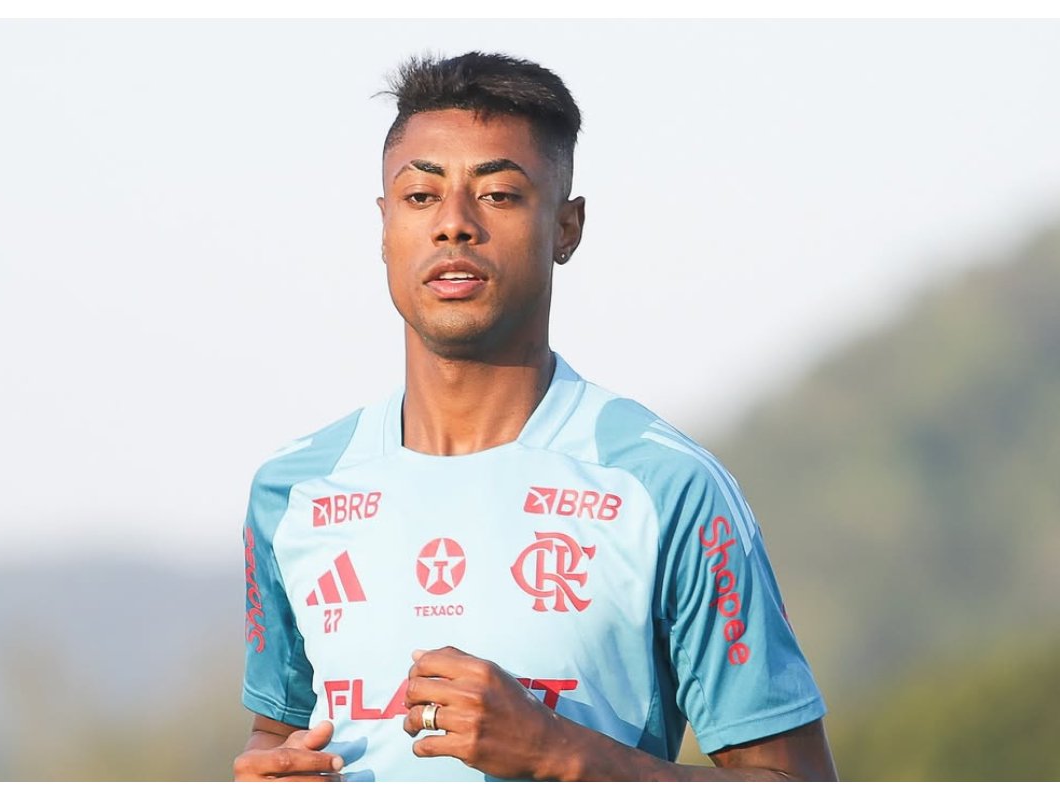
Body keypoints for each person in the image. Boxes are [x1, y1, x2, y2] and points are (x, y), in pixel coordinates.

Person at [232, 51, 838, 782]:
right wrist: (265, 774)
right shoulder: (293, 490)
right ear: (385, 225)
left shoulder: (666, 487)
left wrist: (561, 752)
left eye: (498, 195)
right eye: (421, 195)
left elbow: (796, 784)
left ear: (566, 228)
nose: (454, 225)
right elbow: (276, 734)